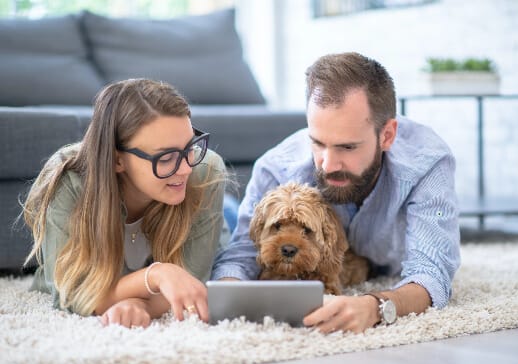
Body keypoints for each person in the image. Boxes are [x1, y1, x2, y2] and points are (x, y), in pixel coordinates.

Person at [211, 52, 461, 333]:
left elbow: (432, 274)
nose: (328, 165)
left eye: (347, 147)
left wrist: (375, 306)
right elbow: (242, 255)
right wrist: (228, 298)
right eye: (317, 143)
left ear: (387, 136)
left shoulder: (428, 162)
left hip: (386, 265)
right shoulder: (275, 168)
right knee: (228, 215)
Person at [23, 78, 228, 328]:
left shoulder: (204, 171)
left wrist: (140, 304)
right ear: (117, 160)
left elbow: (191, 285)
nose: (185, 168)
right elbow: (70, 296)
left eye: (190, 148)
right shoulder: (68, 179)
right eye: (166, 157)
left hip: (214, 216)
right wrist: (156, 275)